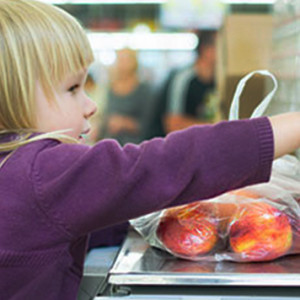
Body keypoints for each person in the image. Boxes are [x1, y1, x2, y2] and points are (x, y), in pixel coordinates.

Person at [0, 0, 299, 299]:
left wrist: (154, 217)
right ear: (13, 95)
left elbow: (87, 217)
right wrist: (289, 127)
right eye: (72, 89)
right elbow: (164, 163)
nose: (90, 106)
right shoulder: (41, 173)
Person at [163, 30, 219, 133]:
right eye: (222, 47)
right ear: (206, 49)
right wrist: (216, 127)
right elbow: (173, 124)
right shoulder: (183, 78)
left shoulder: (220, 80)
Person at [98, 48, 154, 145]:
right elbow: (104, 116)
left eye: (126, 59)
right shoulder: (109, 88)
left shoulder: (144, 90)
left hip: (135, 145)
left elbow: (148, 123)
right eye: (120, 59)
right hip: (111, 143)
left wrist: (123, 123)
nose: (122, 63)